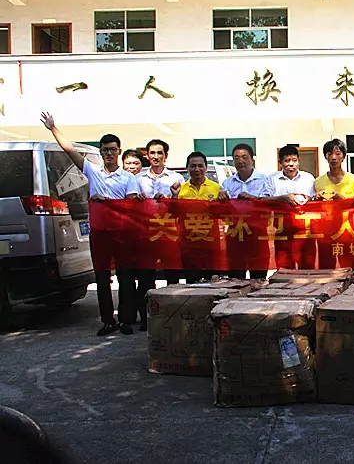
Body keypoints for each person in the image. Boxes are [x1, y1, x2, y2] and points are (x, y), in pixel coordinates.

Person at [40, 112, 139, 337]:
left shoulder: (128, 178)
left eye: (113, 149)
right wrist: (53, 128)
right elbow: (70, 151)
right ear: (101, 152)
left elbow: (131, 205)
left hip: (121, 233)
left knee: (125, 277)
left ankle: (125, 319)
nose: (109, 153)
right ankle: (107, 321)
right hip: (100, 233)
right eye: (105, 150)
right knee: (102, 277)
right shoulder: (93, 172)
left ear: (119, 152)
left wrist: (107, 202)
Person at [135, 139, 185, 326]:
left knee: (172, 277)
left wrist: (171, 198)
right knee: (146, 278)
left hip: (168, 233)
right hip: (145, 234)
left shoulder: (176, 178)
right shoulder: (138, 179)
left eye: (160, 153)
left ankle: (173, 314)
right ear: (147, 155)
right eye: (152, 153)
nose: (156, 157)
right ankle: (147, 318)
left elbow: (180, 207)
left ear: (166, 156)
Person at [170, 151, 224, 282]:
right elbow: (172, 214)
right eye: (193, 166)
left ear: (206, 167)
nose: (197, 169)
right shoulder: (180, 189)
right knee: (192, 283)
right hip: (189, 245)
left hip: (210, 244)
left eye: (200, 166)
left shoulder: (216, 188)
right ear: (187, 168)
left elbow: (222, 215)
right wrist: (174, 197)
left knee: (213, 284)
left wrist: (221, 203)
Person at [220, 143, 270, 278]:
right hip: (234, 234)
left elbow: (269, 203)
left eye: (244, 157)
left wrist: (253, 199)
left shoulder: (264, 180)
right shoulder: (227, 183)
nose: (240, 161)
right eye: (236, 158)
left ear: (252, 159)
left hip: (257, 234)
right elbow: (223, 210)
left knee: (258, 278)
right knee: (235, 278)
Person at [265, 145, 317, 269]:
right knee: (284, 268)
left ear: (299, 160)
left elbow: (315, 201)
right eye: (287, 161)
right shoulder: (272, 179)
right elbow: (264, 200)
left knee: (307, 267)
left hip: (306, 230)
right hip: (283, 229)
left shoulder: (309, 178)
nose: (291, 164)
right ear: (280, 163)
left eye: (294, 160)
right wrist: (283, 198)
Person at [314, 139, 354, 268]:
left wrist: (341, 199)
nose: (334, 157)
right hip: (325, 229)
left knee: (349, 264)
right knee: (326, 265)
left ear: (344, 156)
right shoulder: (318, 181)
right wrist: (315, 198)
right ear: (325, 157)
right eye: (329, 154)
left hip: (348, 229)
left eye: (338, 153)